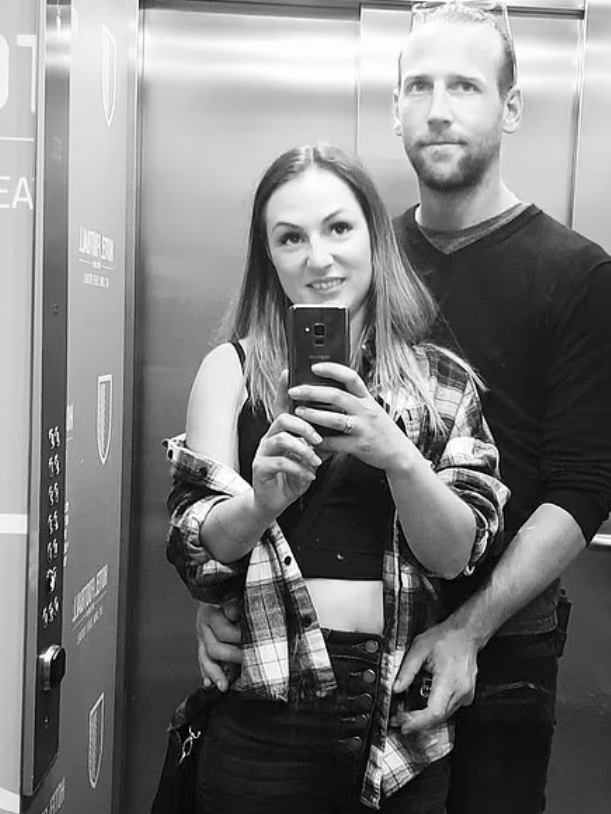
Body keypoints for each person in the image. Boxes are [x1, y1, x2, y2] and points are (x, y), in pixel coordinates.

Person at [196, 2, 611, 812]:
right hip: (341, 668)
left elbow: (581, 489)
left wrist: (471, 629)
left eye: (464, 85)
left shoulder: (579, 276)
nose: (438, 108)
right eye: (419, 87)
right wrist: (233, 606)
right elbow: (244, 488)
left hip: (501, 644)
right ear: (394, 109)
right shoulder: (355, 260)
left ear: (509, 106)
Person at [165, 143, 508, 813]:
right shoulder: (231, 373)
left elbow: (457, 555)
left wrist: (398, 455)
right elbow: (195, 556)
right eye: (290, 238)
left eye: (338, 228)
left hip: (401, 725)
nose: (318, 257)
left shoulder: (441, 384)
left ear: (374, 237)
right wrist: (260, 502)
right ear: (269, 259)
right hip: (267, 723)